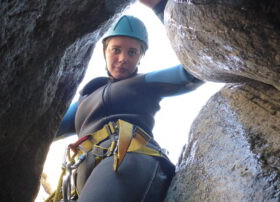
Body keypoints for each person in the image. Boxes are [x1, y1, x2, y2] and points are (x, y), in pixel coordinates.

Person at [53, 1, 203, 201]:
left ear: (140, 57)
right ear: (105, 51)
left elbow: (194, 69)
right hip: (85, 175)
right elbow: (45, 131)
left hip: (129, 159)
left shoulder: (144, 83)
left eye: (132, 52)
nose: (123, 57)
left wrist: (161, 7)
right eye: (116, 50)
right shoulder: (86, 95)